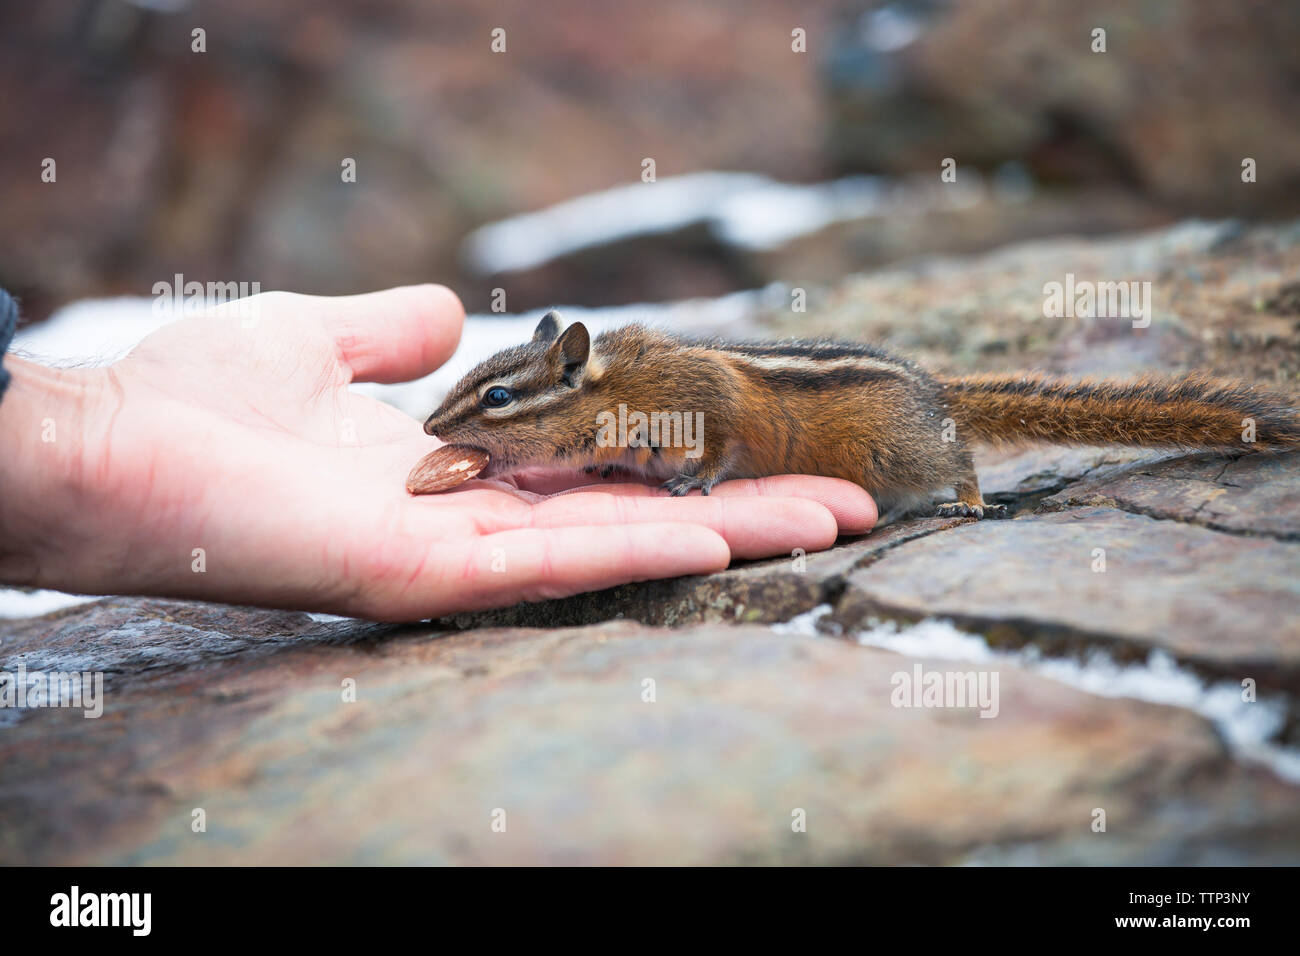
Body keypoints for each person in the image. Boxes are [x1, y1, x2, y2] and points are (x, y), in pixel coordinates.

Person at [0, 285, 877, 621]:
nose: (451, 430)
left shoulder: (642, 398)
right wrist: (91, 437)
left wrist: (92, 437)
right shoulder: (584, 418)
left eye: (492, 410)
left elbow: (707, 421)